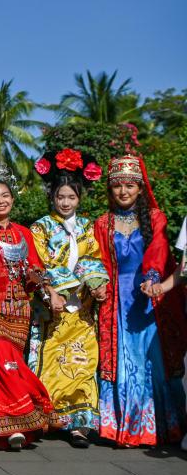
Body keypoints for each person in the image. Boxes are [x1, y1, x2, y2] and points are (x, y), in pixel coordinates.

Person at [93, 153, 186, 447]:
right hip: (116, 302)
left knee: (154, 361)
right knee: (122, 363)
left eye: (130, 186)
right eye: (117, 186)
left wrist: (153, 277)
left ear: (140, 189)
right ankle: (124, 427)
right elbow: (97, 260)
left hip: (149, 298)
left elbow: (158, 246)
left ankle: (161, 426)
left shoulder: (155, 218)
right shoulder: (102, 223)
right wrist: (97, 286)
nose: (123, 192)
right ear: (110, 190)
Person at [0, 161, 53, 450]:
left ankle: (12, 425)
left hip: (21, 308)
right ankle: (28, 411)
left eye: (5, 195)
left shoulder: (24, 233)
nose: (0, 201)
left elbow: (36, 269)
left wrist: (38, 281)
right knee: (4, 363)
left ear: (13, 199)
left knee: (11, 364)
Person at [28, 150, 109, 448]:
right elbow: (40, 263)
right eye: (60, 196)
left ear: (79, 198)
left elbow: (94, 258)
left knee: (84, 363)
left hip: (83, 307)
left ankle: (80, 425)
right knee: (53, 362)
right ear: (52, 196)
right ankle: (51, 417)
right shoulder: (40, 227)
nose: (65, 202)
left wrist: (98, 284)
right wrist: (54, 291)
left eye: (71, 198)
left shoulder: (90, 226)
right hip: (54, 307)